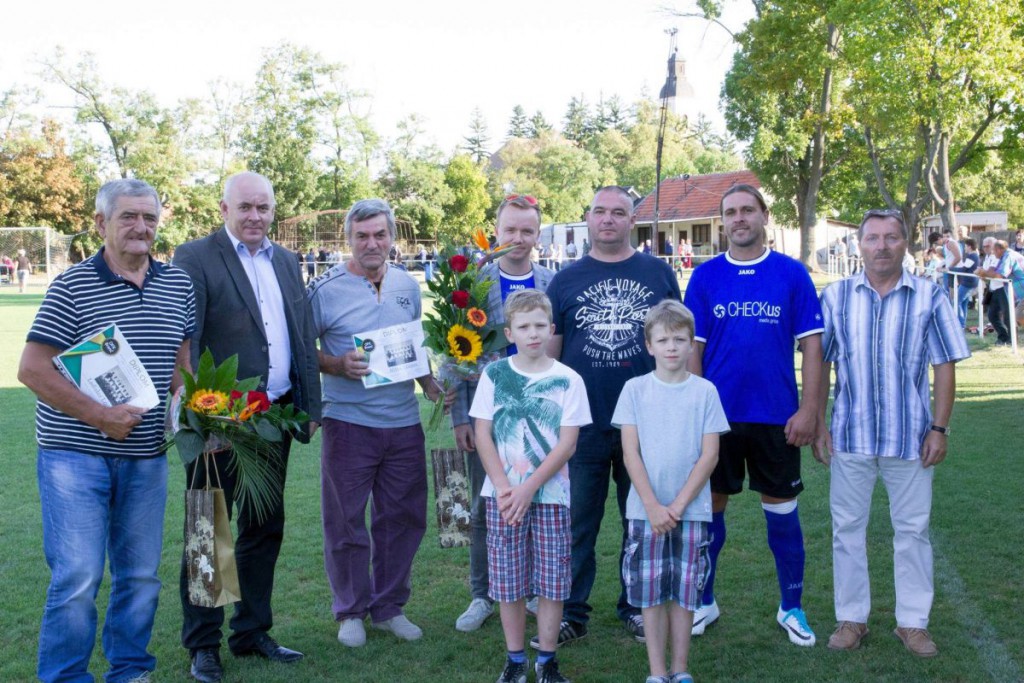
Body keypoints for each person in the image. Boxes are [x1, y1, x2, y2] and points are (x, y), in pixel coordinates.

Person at [18, 179, 195, 683]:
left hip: (146, 456)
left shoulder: (178, 285)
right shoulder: (72, 285)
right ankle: (65, 677)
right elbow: (32, 370)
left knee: (140, 577)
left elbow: (182, 362)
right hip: (74, 456)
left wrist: (195, 408)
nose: (141, 228)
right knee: (77, 578)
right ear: (101, 223)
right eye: (128, 217)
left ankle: (130, 671)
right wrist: (99, 415)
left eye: (150, 218)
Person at [174, 171, 322, 682]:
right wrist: (201, 418)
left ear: (273, 210)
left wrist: (311, 407)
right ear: (225, 209)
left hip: (273, 418)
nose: (255, 216)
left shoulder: (286, 260)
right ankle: (203, 645)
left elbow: (299, 335)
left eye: (263, 207)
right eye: (245, 207)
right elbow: (185, 341)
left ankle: (251, 630)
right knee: (209, 528)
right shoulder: (195, 257)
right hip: (218, 424)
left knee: (263, 527)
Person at [813, 208, 970, 657]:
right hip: (850, 435)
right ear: (858, 245)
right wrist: (820, 420)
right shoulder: (836, 297)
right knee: (846, 530)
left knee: (913, 531)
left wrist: (939, 428)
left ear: (906, 243)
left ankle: (913, 623)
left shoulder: (930, 296)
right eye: (873, 238)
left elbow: (943, 366)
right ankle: (852, 618)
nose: (882, 246)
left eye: (891, 238)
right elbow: (820, 363)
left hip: (910, 438)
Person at [683, 184, 823, 646]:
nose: (739, 218)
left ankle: (792, 606)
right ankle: (705, 600)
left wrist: (810, 410)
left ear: (764, 216)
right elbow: (693, 353)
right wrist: (698, 413)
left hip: (777, 417)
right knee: (711, 508)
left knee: (781, 510)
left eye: (748, 210)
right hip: (718, 420)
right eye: (730, 212)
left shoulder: (791, 274)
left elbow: (813, 346)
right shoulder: (704, 278)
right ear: (723, 222)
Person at [544, 185, 682, 646]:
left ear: (631, 220)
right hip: (580, 426)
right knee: (577, 524)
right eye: (600, 211)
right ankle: (572, 612)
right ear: (587, 218)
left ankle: (636, 607)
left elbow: (675, 343)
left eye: (618, 212)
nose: (608, 219)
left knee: (640, 522)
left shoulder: (658, 273)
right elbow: (551, 358)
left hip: (644, 425)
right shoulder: (564, 280)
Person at [310, 198, 446, 649]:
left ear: (392, 238)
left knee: (402, 518)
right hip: (348, 423)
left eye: (380, 235)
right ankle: (350, 611)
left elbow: (408, 346)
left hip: (403, 423)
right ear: (347, 239)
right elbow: (300, 351)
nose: (372, 243)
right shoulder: (325, 289)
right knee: (345, 521)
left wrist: (428, 383)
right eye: (362, 236)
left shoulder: (407, 285)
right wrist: (334, 363)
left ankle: (389, 607)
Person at [471, 289, 591, 683]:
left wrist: (529, 489)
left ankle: (547, 662)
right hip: (502, 498)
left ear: (552, 328)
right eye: (524, 327)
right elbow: (483, 434)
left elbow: (567, 443)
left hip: (551, 497)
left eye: (541, 325)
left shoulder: (568, 379)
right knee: (508, 582)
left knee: (553, 583)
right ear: (510, 332)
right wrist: (507, 488)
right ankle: (516, 660)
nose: (533, 333)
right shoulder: (494, 375)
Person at [451, 194, 556, 633]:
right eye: (509, 229)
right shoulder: (475, 281)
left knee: (538, 503)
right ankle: (482, 595)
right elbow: (453, 346)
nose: (517, 238)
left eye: (526, 230)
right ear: (495, 231)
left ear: (538, 234)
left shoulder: (553, 281)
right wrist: (459, 414)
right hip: (486, 415)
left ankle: (530, 590)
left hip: (540, 417)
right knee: (484, 504)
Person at [613, 300, 729, 683]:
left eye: (680, 339)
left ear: (691, 343)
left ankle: (680, 669)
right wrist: (652, 505)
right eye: (663, 339)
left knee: (684, 594)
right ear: (649, 345)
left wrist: (677, 506)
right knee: (650, 595)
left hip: (691, 511)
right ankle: (657, 671)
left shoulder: (705, 392)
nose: (672, 347)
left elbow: (709, 455)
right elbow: (631, 453)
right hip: (645, 510)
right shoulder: (634, 390)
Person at [977, 239, 1024, 342]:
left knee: (1012, 316)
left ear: (998, 250)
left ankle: (1012, 340)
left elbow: (999, 275)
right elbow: (994, 273)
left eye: (993, 250)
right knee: (994, 315)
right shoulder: (1004, 256)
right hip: (1014, 291)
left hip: (1015, 291)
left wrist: (983, 272)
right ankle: (1004, 338)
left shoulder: (1009, 256)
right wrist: (984, 273)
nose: (992, 253)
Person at [950, 238, 980, 328]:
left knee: (955, 302)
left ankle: (961, 323)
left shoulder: (973, 256)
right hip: (968, 282)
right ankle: (962, 323)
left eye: (965, 246)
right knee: (963, 303)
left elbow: (963, 269)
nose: (964, 248)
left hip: (968, 283)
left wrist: (949, 269)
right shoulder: (973, 256)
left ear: (969, 247)